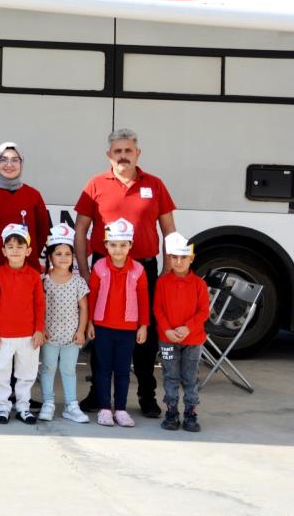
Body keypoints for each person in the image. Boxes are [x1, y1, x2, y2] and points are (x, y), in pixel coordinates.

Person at [74, 128, 176, 419]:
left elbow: (168, 230)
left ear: (137, 153)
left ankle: (147, 396)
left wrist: (167, 270)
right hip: (103, 270)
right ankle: (98, 394)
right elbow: (81, 231)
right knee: (100, 333)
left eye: (128, 150)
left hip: (143, 270)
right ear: (109, 155)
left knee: (145, 334)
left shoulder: (154, 185)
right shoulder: (95, 184)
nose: (122, 156)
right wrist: (84, 270)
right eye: (117, 151)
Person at [86, 218, 149, 428]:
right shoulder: (99, 267)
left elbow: (143, 299)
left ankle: (120, 409)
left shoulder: (138, 270)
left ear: (130, 245)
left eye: (123, 245)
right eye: (113, 244)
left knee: (122, 370)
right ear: (106, 245)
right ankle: (105, 408)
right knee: (103, 369)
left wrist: (143, 325)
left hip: (128, 329)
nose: (118, 249)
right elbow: (92, 296)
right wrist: (90, 323)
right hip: (103, 327)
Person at [0, 223, 46, 425]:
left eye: (20, 246)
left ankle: (23, 407)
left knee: (26, 373)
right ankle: (3, 407)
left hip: (28, 335)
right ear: (3, 250)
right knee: (1, 373)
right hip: (3, 335)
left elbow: (39, 304)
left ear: (28, 250)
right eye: (10, 246)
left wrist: (39, 329)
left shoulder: (34, 276)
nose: (15, 250)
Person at [154, 232, 210, 432]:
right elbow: (158, 309)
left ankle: (190, 413)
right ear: (169, 258)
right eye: (174, 257)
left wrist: (188, 327)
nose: (178, 262)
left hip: (193, 340)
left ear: (191, 258)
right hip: (167, 340)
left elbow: (204, 311)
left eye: (183, 257)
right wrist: (167, 330)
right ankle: (171, 412)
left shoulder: (199, 284)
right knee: (170, 375)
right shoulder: (162, 283)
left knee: (190, 377)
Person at [38, 224, 90, 423]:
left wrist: (81, 331)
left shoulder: (78, 282)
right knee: (48, 368)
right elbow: (39, 307)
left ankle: (71, 405)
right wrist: (41, 328)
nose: (63, 257)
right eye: (58, 253)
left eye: (67, 253)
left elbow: (83, 308)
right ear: (50, 256)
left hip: (71, 337)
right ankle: (48, 403)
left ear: (73, 257)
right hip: (49, 336)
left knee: (68, 370)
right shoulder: (44, 281)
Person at [0, 142, 50, 276]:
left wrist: (23, 254)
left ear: (22, 163)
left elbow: (42, 232)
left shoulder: (34, 196)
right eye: (3, 160)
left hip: (27, 271)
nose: (9, 165)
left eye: (15, 160)